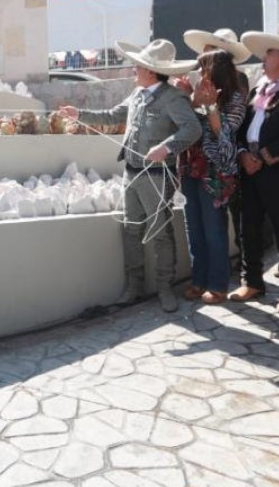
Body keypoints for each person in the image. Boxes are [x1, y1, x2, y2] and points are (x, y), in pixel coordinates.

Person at [58, 39, 202, 312]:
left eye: (138, 66)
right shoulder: (137, 94)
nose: (134, 69)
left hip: (158, 176)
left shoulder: (174, 98)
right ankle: (134, 287)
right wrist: (79, 114)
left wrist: (167, 147)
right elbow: (113, 116)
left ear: (150, 70)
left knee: (160, 232)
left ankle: (164, 288)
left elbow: (192, 129)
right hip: (131, 172)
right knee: (130, 229)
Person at [228, 24, 279, 314]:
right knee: (248, 226)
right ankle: (252, 281)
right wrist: (243, 154)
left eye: (270, 53)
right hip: (249, 168)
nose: (264, 58)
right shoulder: (258, 89)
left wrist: (264, 157)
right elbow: (242, 129)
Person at [176, 50, 246, 304]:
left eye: (204, 68)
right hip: (190, 167)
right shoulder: (198, 91)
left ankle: (218, 285)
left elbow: (226, 132)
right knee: (193, 227)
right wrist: (189, 98)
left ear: (216, 69)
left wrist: (211, 105)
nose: (200, 73)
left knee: (213, 230)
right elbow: (189, 124)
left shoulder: (236, 97)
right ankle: (199, 279)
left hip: (215, 172)